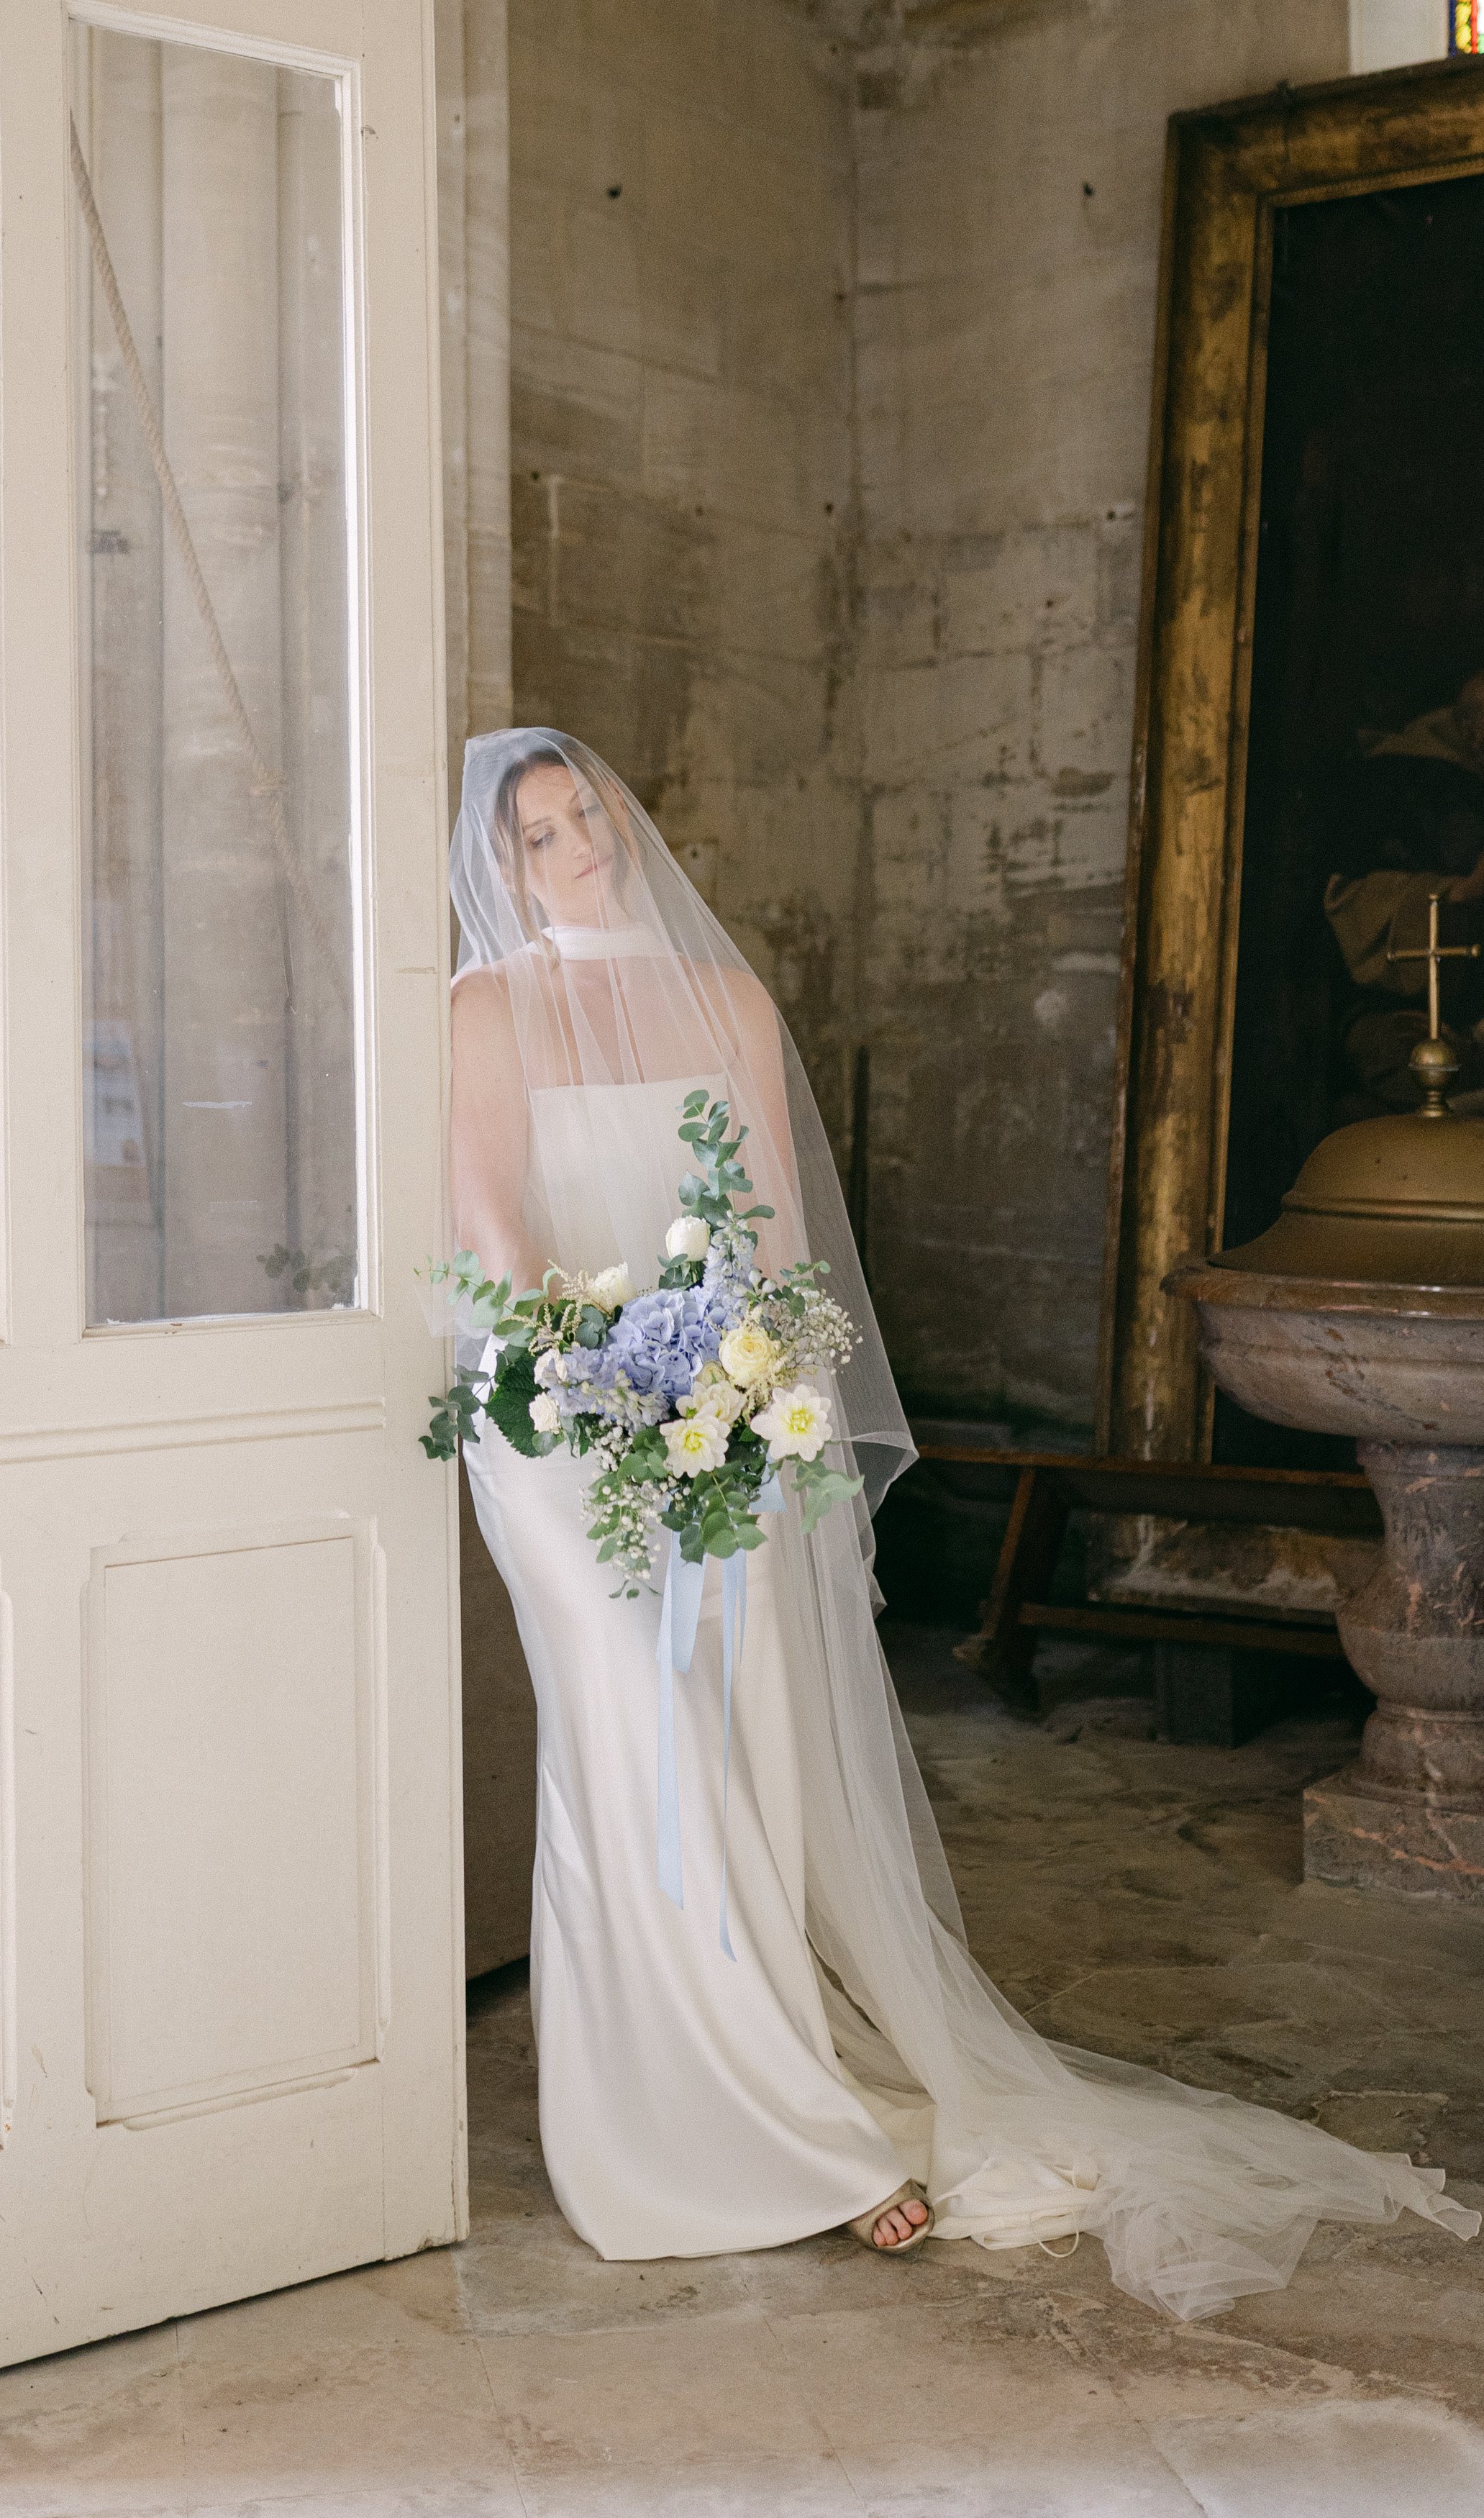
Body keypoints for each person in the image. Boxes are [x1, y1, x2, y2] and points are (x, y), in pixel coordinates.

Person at [445, 725, 1478, 2315]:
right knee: (623, 1734)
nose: (580, 846)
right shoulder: (483, 1015)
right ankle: (686, 2128)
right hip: (564, 1432)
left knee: (744, 1740)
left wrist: (735, 1384)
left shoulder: (722, 1003)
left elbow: (777, 1236)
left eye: (587, 814)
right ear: (497, 866)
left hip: (729, 1405)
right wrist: (606, 1391)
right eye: (539, 833)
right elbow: (495, 1236)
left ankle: (785, 2081)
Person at [1324, 671, 1484, 1116]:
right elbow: (1350, 903)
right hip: (1395, 1013)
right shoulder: (1399, 782)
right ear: (1468, 726)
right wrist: (1462, 892)